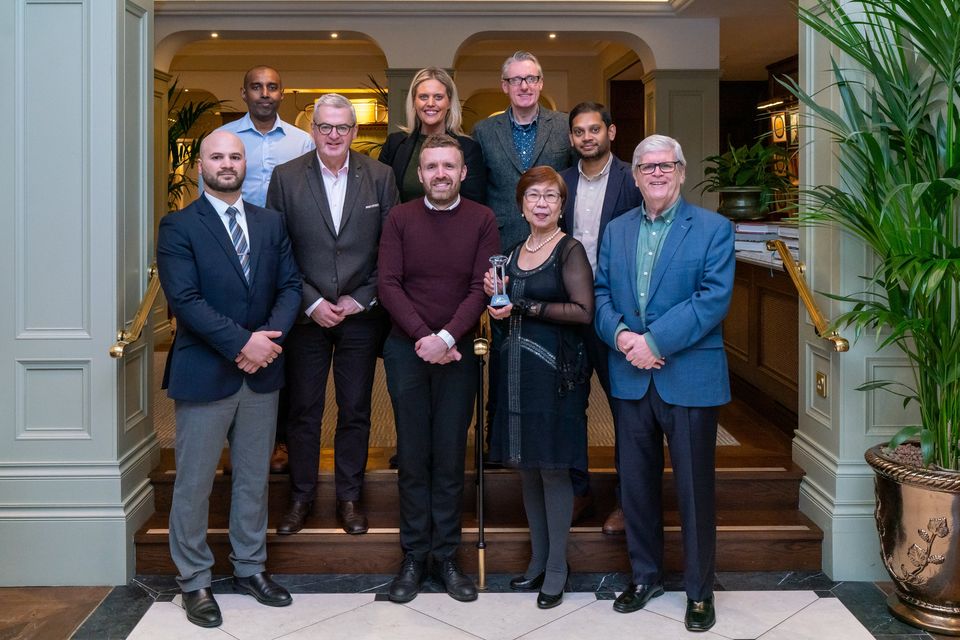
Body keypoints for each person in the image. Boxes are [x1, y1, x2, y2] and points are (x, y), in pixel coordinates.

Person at [156, 130, 302, 628]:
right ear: (200, 165)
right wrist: (245, 343)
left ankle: (249, 568)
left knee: (253, 479)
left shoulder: (270, 222)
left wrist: (266, 342)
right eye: (216, 156)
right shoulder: (178, 226)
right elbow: (186, 300)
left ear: (245, 164)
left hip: (262, 372)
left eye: (234, 156)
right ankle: (194, 580)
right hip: (206, 371)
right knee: (194, 483)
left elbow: (289, 286)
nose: (226, 163)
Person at [594, 134, 735, 632]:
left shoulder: (714, 229)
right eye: (646, 167)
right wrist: (623, 336)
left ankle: (699, 591)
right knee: (635, 485)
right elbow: (602, 293)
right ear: (634, 177)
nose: (656, 173)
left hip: (689, 377)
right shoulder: (616, 230)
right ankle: (646, 575)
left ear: (680, 171)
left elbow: (712, 300)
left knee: (695, 490)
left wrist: (654, 342)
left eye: (665, 165)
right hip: (630, 376)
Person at [266, 93, 399, 536]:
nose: (334, 135)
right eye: (325, 127)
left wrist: (362, 298)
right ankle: (301, 498)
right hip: (307, 318)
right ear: (314, 131)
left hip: (361, 316)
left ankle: (349, 497)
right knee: (303, 411)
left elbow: (392, 249)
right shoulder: (286, 179)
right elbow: (277, 251)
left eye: (343, 127)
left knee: (356, 409)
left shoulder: (380, 176)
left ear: (355, 132)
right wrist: (312, 301)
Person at [378, 134, 500, 604]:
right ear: (420, 173)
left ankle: (446, 557)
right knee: (413, 455)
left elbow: (479, 287)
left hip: (459, 350)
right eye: (432, 167)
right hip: (406, 349)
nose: (441, 174)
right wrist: (423, 339)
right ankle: (413, 557)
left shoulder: (482, 219)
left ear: (463, 172)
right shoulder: (399, 217)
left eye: (449, 166)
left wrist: (447, 338)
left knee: (450, 456)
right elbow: (388, 283)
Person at [484, 166, 593, 609]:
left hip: (556, 377)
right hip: (514, 374)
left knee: (552, 467)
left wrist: (522, 304)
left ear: (562, 205)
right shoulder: (509, 254)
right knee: (527, 466)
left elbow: (583, 311)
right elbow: (499, 307)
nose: (542, 203)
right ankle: (537, 560)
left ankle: (557, 568)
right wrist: (493, 295)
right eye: (534, 196)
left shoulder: (570, 250)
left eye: (551, 196)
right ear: (522, 204)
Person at [208, 65, 315, 475]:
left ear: (282, 93)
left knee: (280, 343)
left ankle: (278, 441)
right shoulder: (228, 141)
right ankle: (232, 439)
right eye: (256, 87)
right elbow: (211, 201)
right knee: (235, 339)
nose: (264, 93)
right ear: (244, 92)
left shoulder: (302, 140)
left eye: (272, 87)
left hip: (287, 254)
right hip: (236, 255)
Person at [559, 102, 643, 534]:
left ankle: (629, 500)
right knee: (570, 407)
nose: (587, 137)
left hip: (618, 313)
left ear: (611, 132)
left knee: (625, 408)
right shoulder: (563, 182)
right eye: (578, 131)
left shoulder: (634, 179)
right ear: (571, 138)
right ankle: (578, 492)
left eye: (594, 129)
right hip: (570, 311)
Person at [473, 51, 573, 253]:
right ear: (505, 86)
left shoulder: (565, 125)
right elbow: (477, 191)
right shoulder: (483, 131)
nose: (524, 86)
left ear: (540, 83)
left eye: (531, 79)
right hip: (501, 238)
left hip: (553, 237)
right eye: (516, 80)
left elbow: (575, 179)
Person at [378, 67, 485, 203]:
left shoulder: (468, 148)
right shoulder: (395, 144)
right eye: (423, 97)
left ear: (449, 102)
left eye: (438, 97)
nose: (430, 103)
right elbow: (382, 196)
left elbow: (474, 204)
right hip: (405, 224)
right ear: (414, 102)